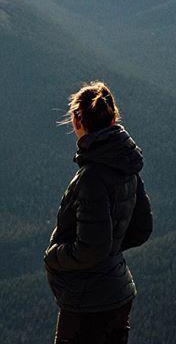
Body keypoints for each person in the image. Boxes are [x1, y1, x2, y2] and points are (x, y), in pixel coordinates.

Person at [44, 81, 153, 343]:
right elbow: (142, 229)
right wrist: (111, 249)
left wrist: (54, 256)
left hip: (87, 303)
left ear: (77, 120)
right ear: (113, 117)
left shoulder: (92, 177)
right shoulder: (125, 165)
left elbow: (92, 248)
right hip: (118, 294)